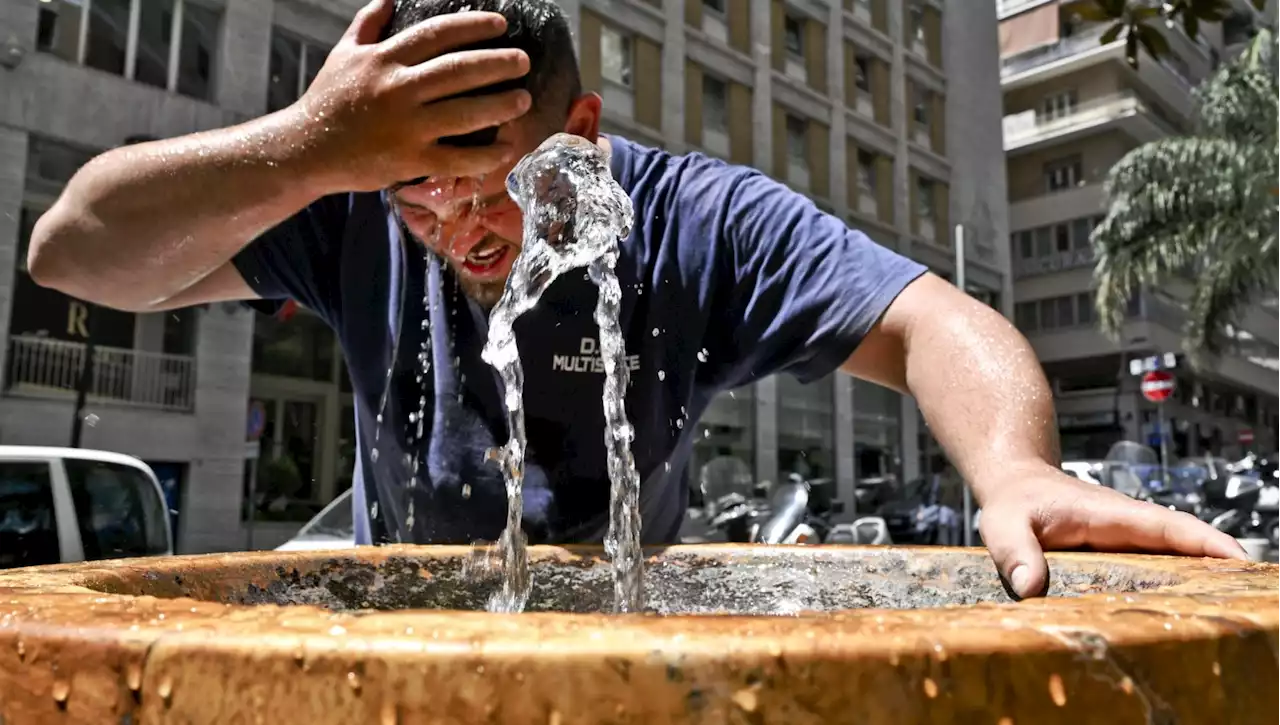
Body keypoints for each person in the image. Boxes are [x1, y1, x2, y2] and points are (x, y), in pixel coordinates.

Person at [26, 0, 1245, 599]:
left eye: (494, 189)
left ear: (584, 137)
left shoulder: (691, 220)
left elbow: (938, 319)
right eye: (418, 199)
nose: (460, 230)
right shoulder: (341, 197)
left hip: (626, 614)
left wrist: (1017, 471)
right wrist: (305, 147)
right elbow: (71, 255)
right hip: (395, 619)